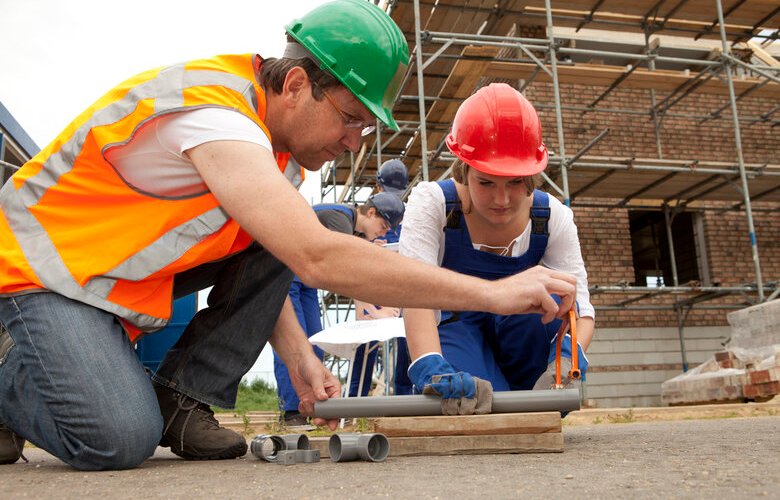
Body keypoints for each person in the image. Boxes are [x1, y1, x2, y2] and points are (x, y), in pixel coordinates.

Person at [0, 0, 577, 472]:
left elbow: (278, 249)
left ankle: (181, 396)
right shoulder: (215, 116)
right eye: (351, 118)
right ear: (297, 83)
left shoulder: (276, 157)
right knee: (119, 440)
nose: (356, 142)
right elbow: (316, 257)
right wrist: (495, 294)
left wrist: (300, 356)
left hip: (89, 290)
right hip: (28, 283)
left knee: (303, 223)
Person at [400, 83, 594, 413]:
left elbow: (581, 307)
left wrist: (566, 359)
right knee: (475, 403)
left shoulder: (553, 218)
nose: (501, 200)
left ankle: (534, 396)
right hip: (456, 327)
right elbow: (415, 294)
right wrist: (431, 365)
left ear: (531, 175)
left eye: (515, 182)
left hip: (523, 331)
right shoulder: (433, 204)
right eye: (486, 182)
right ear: (464, 169)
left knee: (544, 305)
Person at [275, 192, 404, 426]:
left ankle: (310, 406)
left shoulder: (351, 229)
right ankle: (292, 412)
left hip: (304, 281)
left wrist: (368, 248)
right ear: (371, 213)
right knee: (295, 342)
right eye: (383, 225)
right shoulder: (339, 219)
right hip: (285, 273)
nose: (385, 232)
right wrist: (372, 312)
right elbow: (347, 273)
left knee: (315, 343)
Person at [352, 157, 414, 396]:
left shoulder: (407, 217)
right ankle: (357, 395)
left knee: (407, 339)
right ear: (378, 187)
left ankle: (404, 395)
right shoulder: (367, 217)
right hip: (370, 289)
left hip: (400, 290)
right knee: (366, 342)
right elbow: (353, 267)